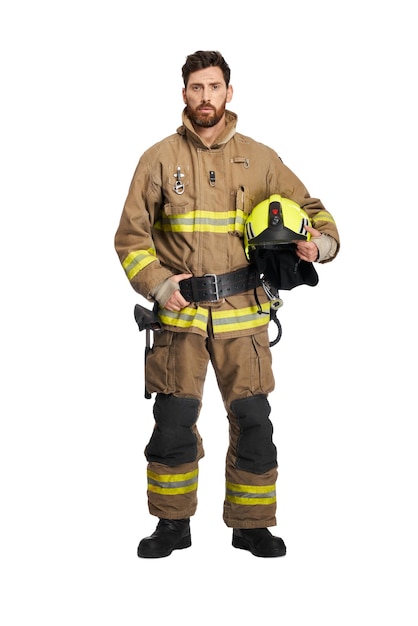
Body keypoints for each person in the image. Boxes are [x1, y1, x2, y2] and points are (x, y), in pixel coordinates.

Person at [114, 50, 340, 559]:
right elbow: (130, 239)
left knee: (254, 421)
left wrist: (317, 245)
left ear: (229, 93)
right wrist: (157, 285)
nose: (205, 97)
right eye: (196, 88)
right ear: (184, 95)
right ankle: (172, 525)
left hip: (245, 317)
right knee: (173, 422)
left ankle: (252, 525)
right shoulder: (157, 159)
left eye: (214, 87)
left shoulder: (259, 158)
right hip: (179, 318)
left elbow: (316, 214)